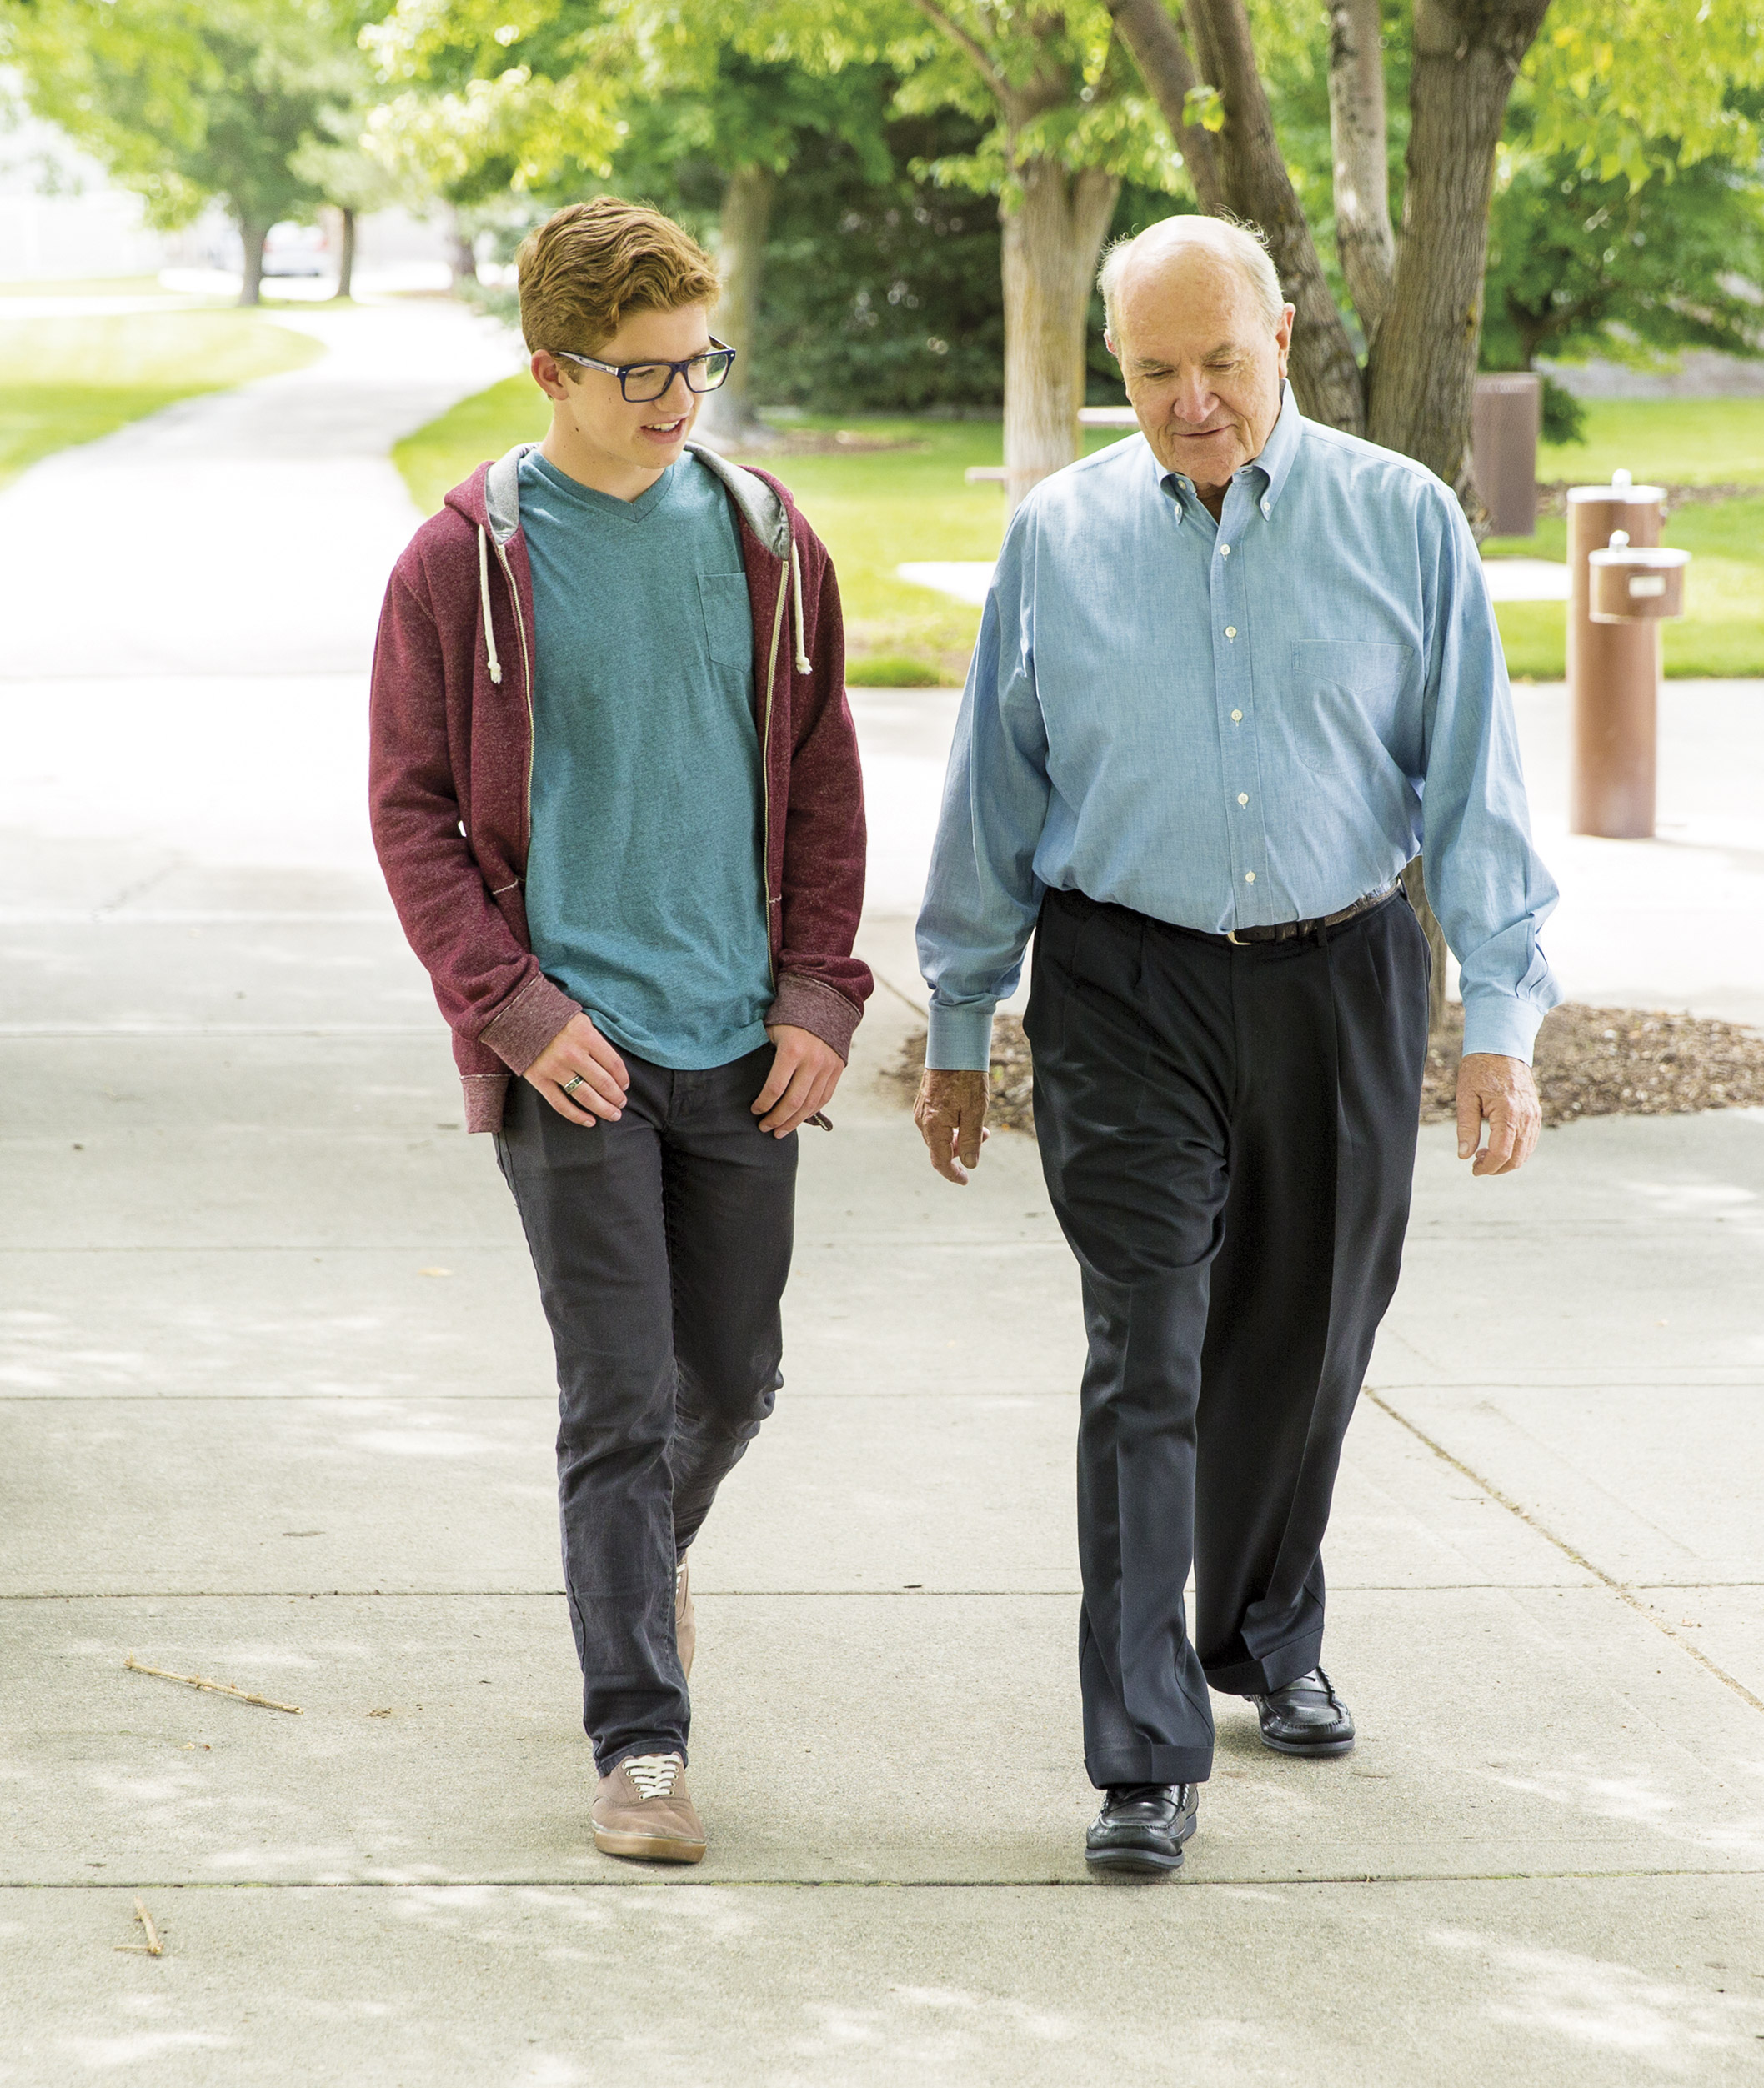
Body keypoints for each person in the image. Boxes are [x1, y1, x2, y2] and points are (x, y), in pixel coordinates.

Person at [912, 214, 1560, 1880]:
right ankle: (1140, 1746)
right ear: (1110, 367)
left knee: (1305, 1336)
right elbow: (997, 786)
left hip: (1340, 970)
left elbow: (1471, 783)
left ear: (1282, 332)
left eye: (1219, 361)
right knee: (1149, 1346)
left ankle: (1267, 1623)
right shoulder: (1055, 539)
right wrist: (963, 1020)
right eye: (1151, 372)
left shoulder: (1404, 521)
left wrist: (1499, 1018)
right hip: (1124, 984)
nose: (1191, 399)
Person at [369, 197, 870, 1865]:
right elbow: (415, 814)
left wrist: (818, 990)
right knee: (616, 1395)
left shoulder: (766, 538)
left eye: (698, 362)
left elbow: (821, 788)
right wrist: (511, 1010)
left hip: (739, 1036)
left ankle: (635, 1579)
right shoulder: (464, 562)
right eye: (645, 372)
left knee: (730, 1377)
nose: (680, 398)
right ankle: (639, 1740)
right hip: (571, 1048)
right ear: (550, 368)